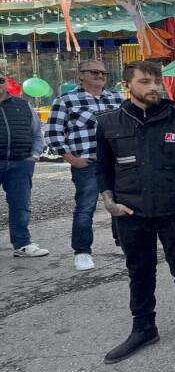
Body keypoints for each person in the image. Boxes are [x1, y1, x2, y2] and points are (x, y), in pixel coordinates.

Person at [96, 61, 175, 363]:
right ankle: (143, 328)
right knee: (140, 271)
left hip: (174, 210)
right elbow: (103, 170)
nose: (154, 87)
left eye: (157, 81)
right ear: (127, 86)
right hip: (130, 213)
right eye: (145, 81)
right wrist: (108, 201)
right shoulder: (108, 123)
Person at [45, 59, 124, 269]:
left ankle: (125, 242)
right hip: (87, 162)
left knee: (122, 202)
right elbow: (53, 133)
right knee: (85, 208)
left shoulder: (117, 98)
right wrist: (70, 157)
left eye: (104, 73)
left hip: (117, 162)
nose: (100, 76)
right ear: (80, 75)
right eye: (94, 72)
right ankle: (82, 251)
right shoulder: (66, 100)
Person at [2, 73, 47, 258]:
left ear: (6, 84)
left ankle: (22, 244)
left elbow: (37, 133)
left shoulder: (23, 105)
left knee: (21, 205)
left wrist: (34, 155)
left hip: (20, 163)